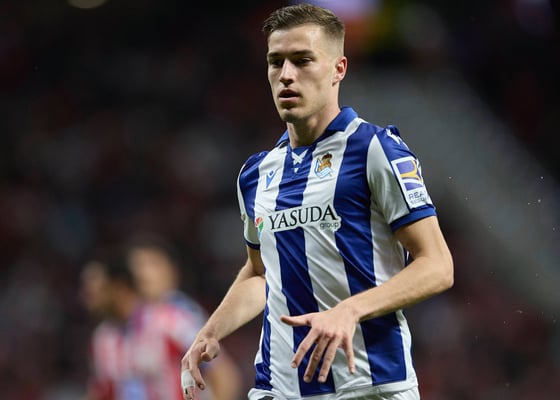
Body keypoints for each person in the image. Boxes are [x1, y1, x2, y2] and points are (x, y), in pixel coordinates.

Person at [181, 3, 454, 400]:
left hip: (370, 387)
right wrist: (210, 331)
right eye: (276, 62)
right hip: (278, 389)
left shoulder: (375, 149)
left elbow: (438, 265)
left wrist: (350, 310)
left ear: (338, 69)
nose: (286, 75)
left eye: (302, 60)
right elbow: (260, 273)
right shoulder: (256, 173)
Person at [79, 252, 239, 400]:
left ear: (118, 287)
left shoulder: (170, 322)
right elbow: (102, 391)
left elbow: (223, 375)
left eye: (96, 290)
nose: (87, 298)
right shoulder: (102, 339)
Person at [123, 232, 243, 400]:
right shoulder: (132, 320)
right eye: (136, 265)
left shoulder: (179, 317)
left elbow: (224, 376)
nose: (141, 273)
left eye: (151, 264)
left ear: (171, 271)